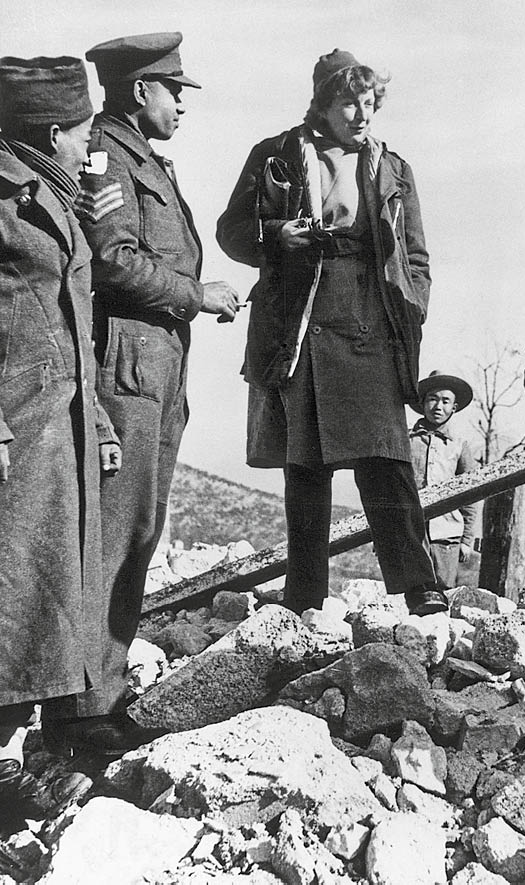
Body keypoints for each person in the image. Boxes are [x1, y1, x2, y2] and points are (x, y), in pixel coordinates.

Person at [48, 32, 240, 756]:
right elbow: (113, 261)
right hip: (125, 369)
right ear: (139, 91)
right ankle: (80, 708)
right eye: (174, 91)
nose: (182, 104)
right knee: (115, 531)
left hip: (156, 370)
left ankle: (100, 689)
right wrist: (198, 294)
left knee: (138, 530)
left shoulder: (140, 158)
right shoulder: (105, 155)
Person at [217, 49, 442, 616]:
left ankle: (421, 589)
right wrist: (273, 234)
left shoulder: (393, 167)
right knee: (306, 463)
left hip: (369, 317)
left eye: (369, 103)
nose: (362, 114)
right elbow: (231, 231)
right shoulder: (276, 154)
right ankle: (305, 598)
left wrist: (410, 306)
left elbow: (415, 255)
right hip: (300, 317)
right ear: (323, 103)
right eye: (349, 103)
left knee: (385, 457)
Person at [0, 55, 121, 824]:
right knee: (9, 601)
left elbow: (72, 326)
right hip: (15, 430)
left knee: (44, 602)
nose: (91, 149)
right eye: (83, 134)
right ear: (53, 131)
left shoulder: (55, 195)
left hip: (58, 430)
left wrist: (101, 420)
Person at [409, 371, 478, 590]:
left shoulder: (459, 444)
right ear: (422, 403)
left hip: (447, 534)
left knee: (445, 591)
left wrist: (466, 541)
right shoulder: (406, 440)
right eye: (432, 399)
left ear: (454, 407)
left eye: (445, 400)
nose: (438, 406)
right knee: (412, 590)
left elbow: (471, 495)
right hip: (411, 530)